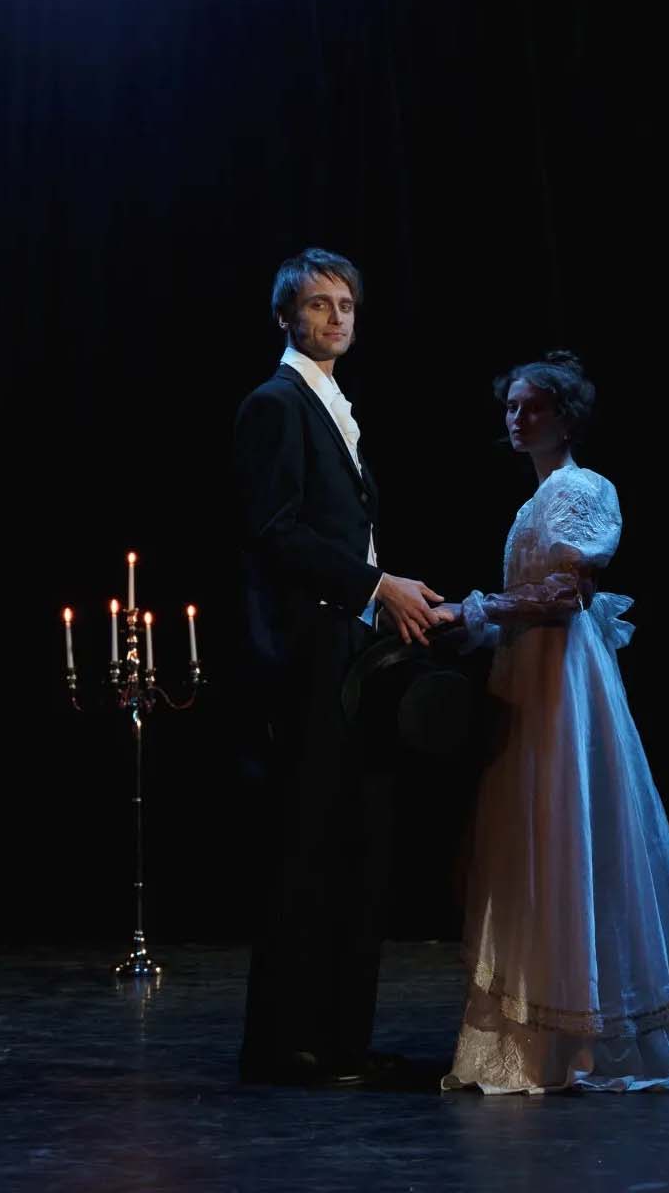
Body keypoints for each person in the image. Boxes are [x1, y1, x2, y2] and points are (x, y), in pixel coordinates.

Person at [439, 351, 669, 1093]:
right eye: (510, 407)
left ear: (565, 417)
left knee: (570, 827)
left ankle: (588, 1036)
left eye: (532, 407)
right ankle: (547, 1031)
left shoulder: (582, 488)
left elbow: (565, 594)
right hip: (530, 676)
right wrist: (474, 627)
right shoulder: (531, 503)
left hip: (563, 684)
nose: (516, 418)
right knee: (537, 832)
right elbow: (531, 595)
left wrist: (475, 608)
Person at [232, 247, 448, 1086]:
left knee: (355, 845)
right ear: (286, 316)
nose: (336, 318)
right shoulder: (274, 404)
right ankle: (288, 1044)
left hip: (346, 644)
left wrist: (388, 595)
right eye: (319, 305)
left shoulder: (327, 402)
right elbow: (273, 530)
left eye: (346, 304)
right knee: (308, 848)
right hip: (306, 654)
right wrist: (375, 584)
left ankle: (341, 1039)